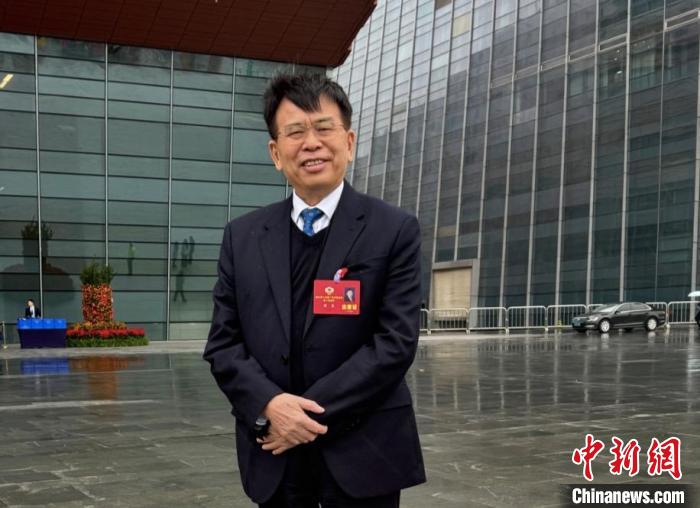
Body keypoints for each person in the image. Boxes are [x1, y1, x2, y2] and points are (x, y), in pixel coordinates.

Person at [204, 73, 425, 507]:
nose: (311, 143)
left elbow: (395, 343)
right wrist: (270, 406)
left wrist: (299, 416)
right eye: (295, 132)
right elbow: (223, 345)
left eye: (324, 128)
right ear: (275, 152)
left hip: (364, 450)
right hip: (274, 454)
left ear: (349, 141)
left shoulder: (393, 229)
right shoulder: (243, 237)